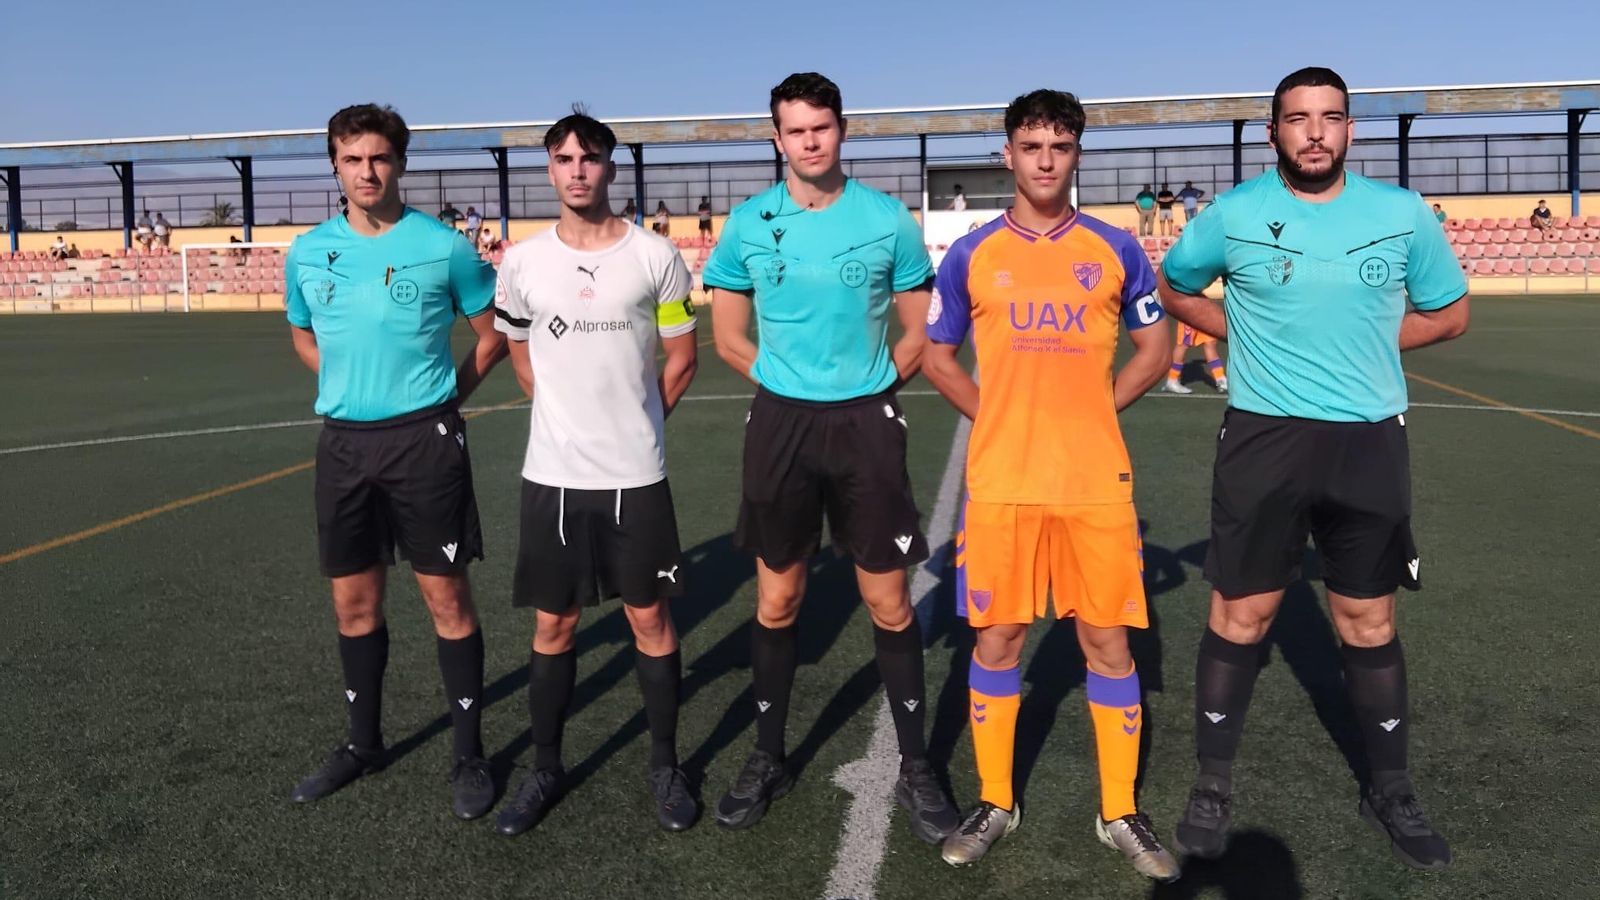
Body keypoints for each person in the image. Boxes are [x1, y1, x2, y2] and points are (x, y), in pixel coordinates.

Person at [1158, 67, 1469, 871]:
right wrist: (1242, 335)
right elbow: (1175, 286)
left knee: (1367, 622)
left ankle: (1392, 789)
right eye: (1298, 119)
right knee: (1241, 616)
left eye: (1331, 118)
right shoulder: (1232, 215)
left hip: (1368, 442)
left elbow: (1450, 313)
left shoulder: (1400, 214)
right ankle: (1212, 786)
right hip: (1264, 439)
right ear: (1273, 134)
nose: (1316, 133)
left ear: (1350, 130)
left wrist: (1368, 344)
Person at [923, 88, 1179, 881]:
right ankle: (997, 798)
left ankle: (1119, 811)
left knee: (1106, 641)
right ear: (1008, 155)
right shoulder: (972, 253)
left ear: (1075, 156)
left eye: (1060, 147)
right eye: (1031, 146)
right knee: (999, 638)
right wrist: (995, 414)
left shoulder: (1113, 249)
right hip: (1002, 482)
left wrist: (1097, 409)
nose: (1044, 160)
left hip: (1093, 482)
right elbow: (936, 355)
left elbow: (1154, 347)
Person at [702, 71, 959, 843]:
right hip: (780, 426)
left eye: (822, 127)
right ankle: (769, 754)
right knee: (777, 600)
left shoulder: (886, 220)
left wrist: (873, 388)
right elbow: (726, 338)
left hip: (865, 426)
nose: (810, 141)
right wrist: (787, 385)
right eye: (795, 130)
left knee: (887, 600)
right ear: (777, 139)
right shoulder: (750, 223)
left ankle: (916, 765)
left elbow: (919, 330)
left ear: (840, 131)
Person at [283, 103, 509, 821]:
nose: (366, 171)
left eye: (379, 158)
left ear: (400, 163)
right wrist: (340, 387)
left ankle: (469, 753)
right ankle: (363, 743)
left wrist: (445, 397)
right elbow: (301, 335)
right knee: (353, 603)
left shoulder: (444, 248)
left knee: (446, 598)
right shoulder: (307, 252)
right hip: (344, 447)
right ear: (335, 166)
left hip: (424, 443)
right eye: (352, 160)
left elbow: (492, 335)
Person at [491, 108, 702, 837]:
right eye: (563, 158)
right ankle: (544, 768)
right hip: (551, 477)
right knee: (555, 623)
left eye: (590, 157)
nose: (577, 169)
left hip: (634, 478)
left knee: (649, 617)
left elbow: (682, 355)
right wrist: (558, 415)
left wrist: (642, 425)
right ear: (548, 169)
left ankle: (665, 766)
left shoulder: (655, 257)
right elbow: (517, 351)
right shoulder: (520, 262)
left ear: (611, 167)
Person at [1165, 317, 1227, 394]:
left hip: (1204, 313)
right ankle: (1172, 380)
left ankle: (1220, 379)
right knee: (1183, 344)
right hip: (1189, 313)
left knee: (1210, 342)